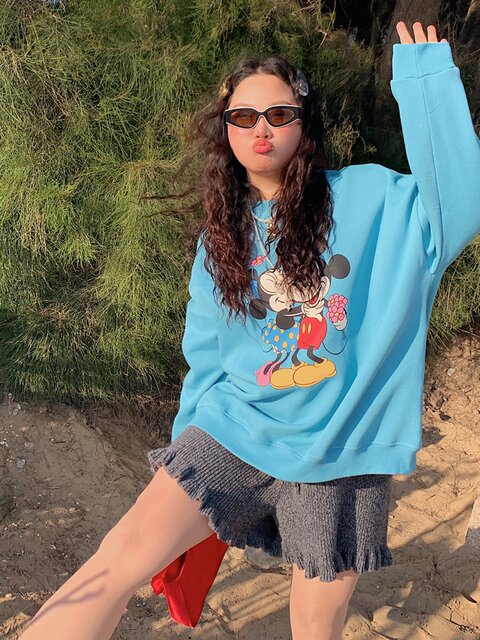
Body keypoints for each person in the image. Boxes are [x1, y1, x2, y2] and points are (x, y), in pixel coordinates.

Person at [19, 20, 480, 640]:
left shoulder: (373, 199)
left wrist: (427, 81)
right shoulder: (221, 240)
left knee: (315, 624)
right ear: (226, 131)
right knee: (117, 559)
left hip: (343, 451)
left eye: (279, 114)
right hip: (234, 431)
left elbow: (460, 205)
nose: (261, 128)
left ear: (303, 124)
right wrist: (180, 466)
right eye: (244, 117)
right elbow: (207, 362)